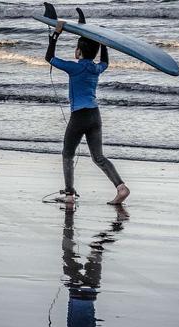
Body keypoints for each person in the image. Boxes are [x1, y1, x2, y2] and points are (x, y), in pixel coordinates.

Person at [45, 20, 130, 204]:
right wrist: (104, 42)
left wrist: (56, 34)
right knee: (98, 157)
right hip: (95, 115)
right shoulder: (96, 68)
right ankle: (121, 187)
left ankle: (69, 195)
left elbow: (49, 58)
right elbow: (105, 62)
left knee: (67, 154)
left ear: (79, 52)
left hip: (79, 117)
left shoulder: (74, 67)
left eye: (77, 48)